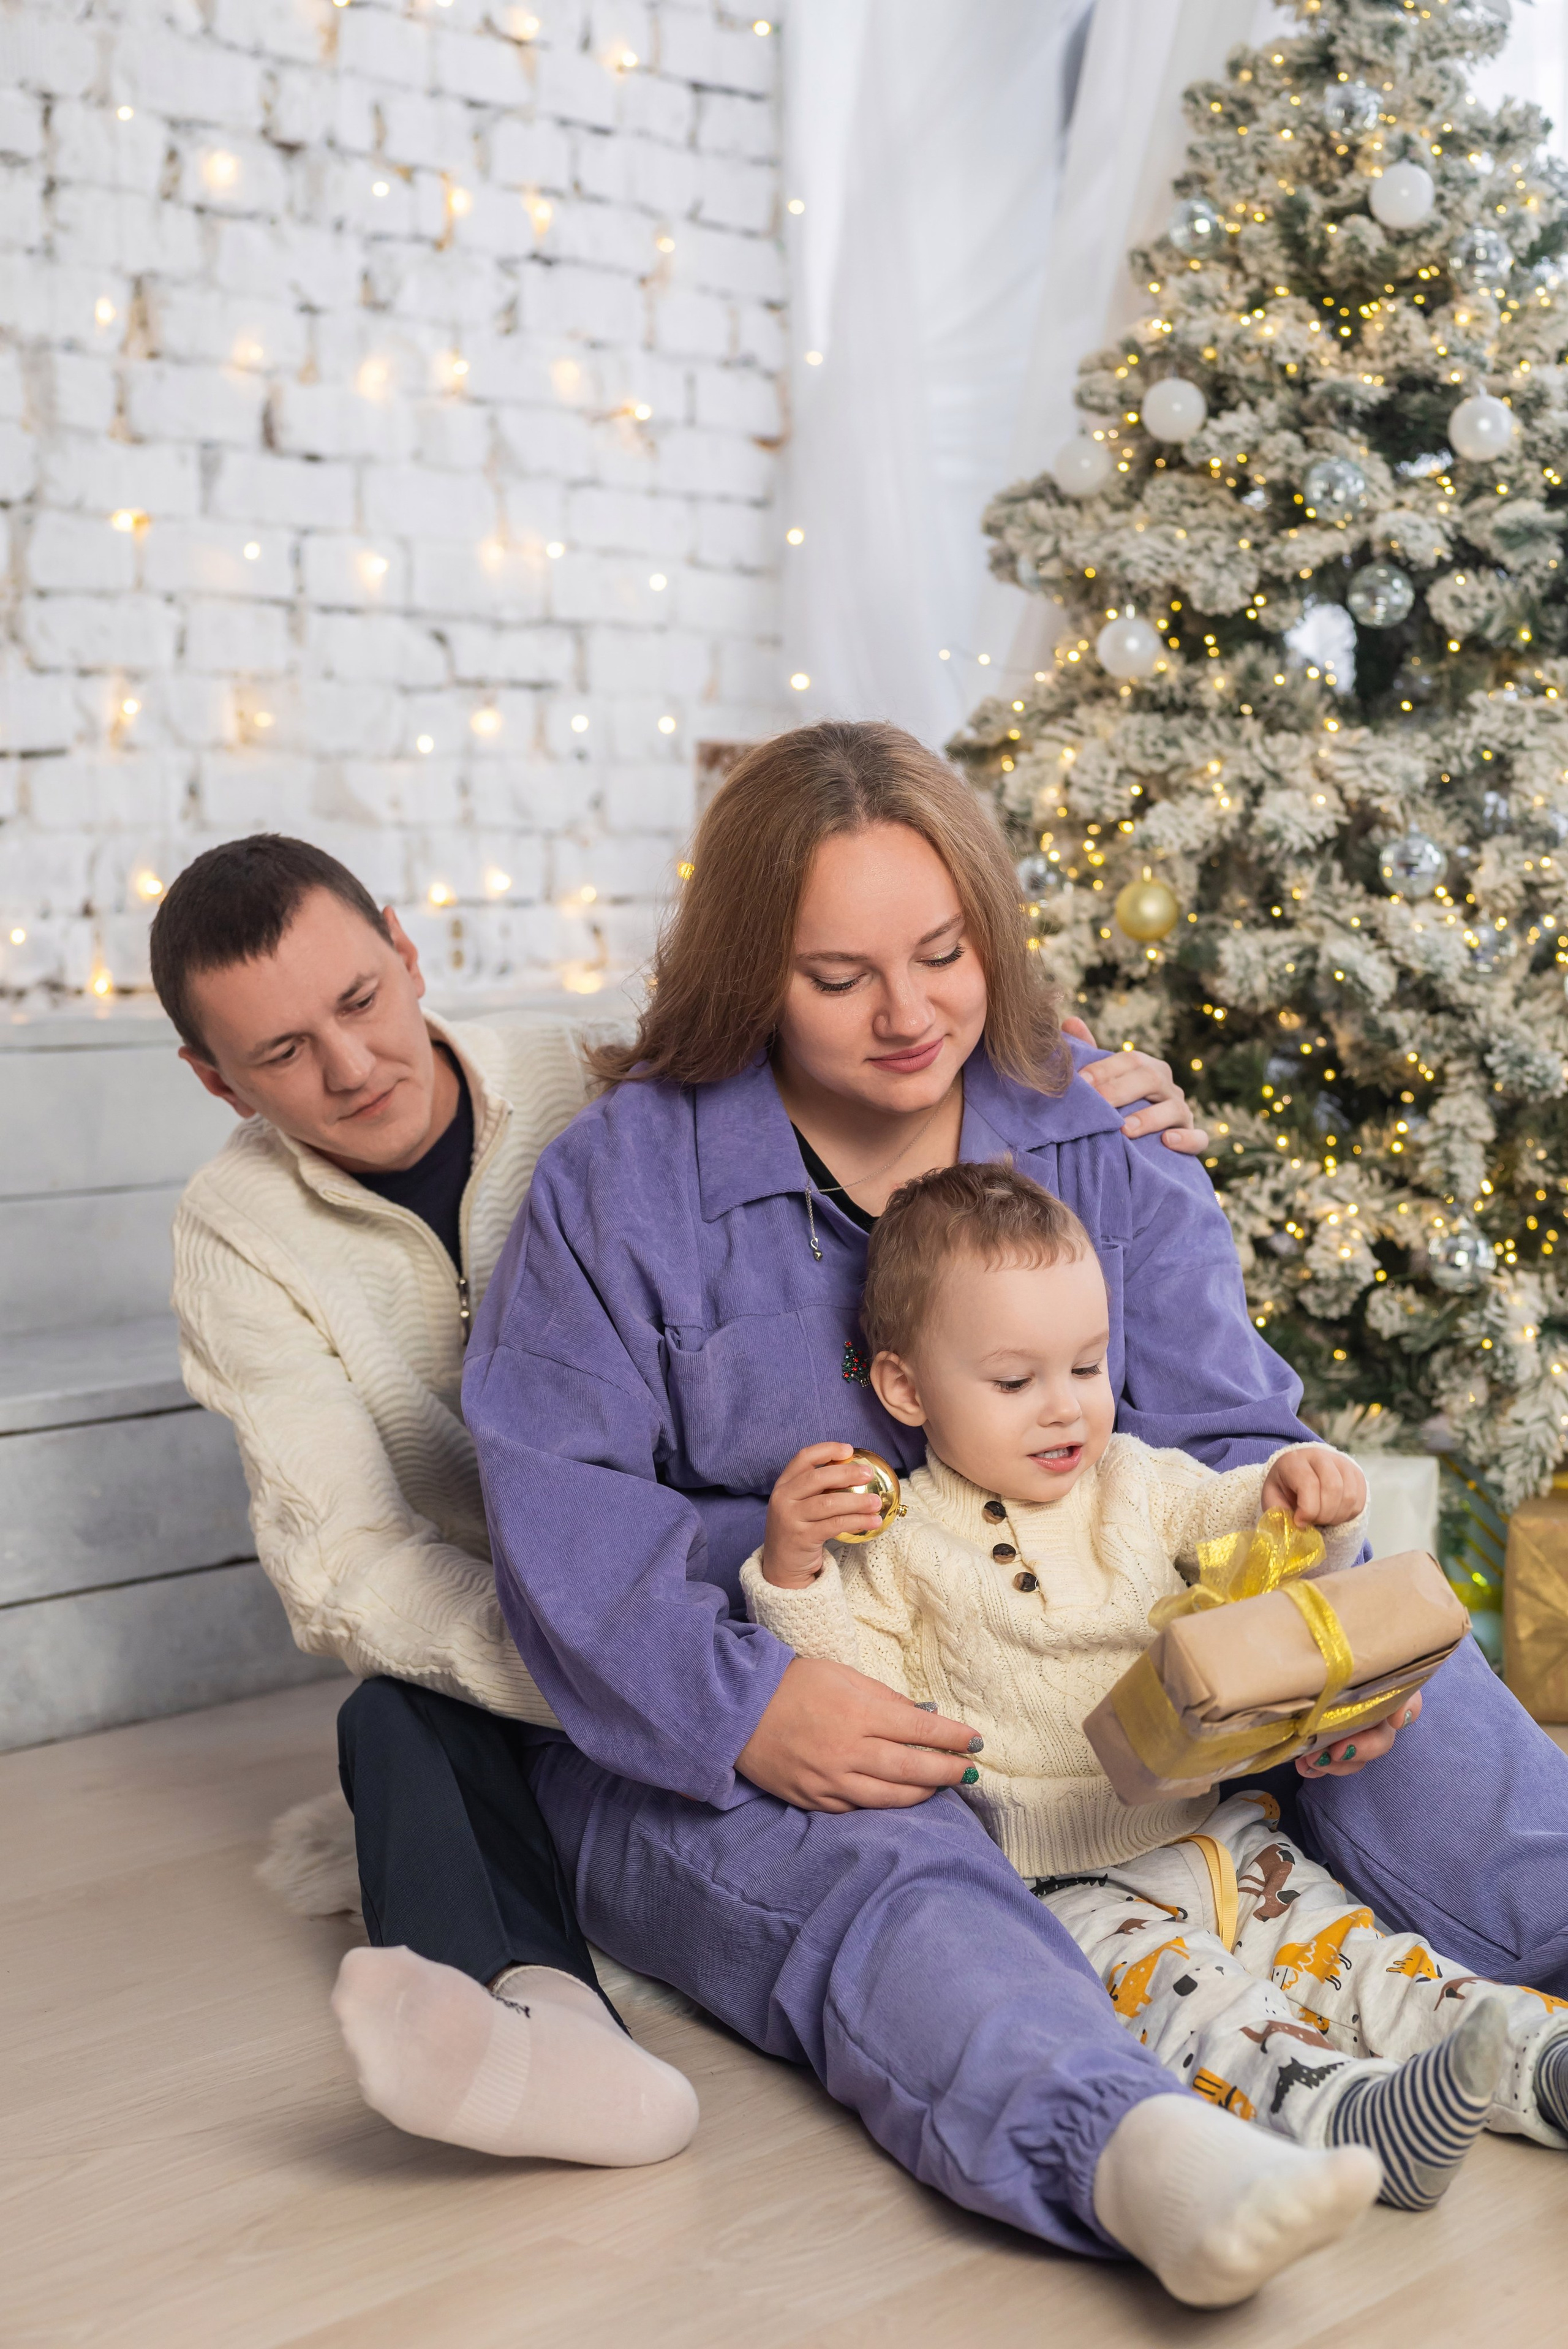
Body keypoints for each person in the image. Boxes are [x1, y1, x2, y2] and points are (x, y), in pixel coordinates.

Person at [462, 719, 1568, 2309]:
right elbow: (556, 1513)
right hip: (779, 1691)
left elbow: (1223, 1428)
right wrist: (752, 1707)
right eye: (839, 976)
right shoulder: (622, 1185)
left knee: (1394, 1661)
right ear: (747, 971)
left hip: (1111, 1659)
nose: (909, 1015)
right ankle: (1135, 2157)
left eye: (943, 953)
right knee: (889, 1867)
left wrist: (1302, 1636)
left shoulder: (1097, 1123)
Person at [150, 825, 1204, 2166]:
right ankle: (542, 2030)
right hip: (510, 1634)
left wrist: (1084, 1080)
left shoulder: (590, 1074)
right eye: (283, 1054)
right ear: (210, 1077)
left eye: (359, 1002)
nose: (351, 1067)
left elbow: (862, 1019)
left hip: (752, 1558)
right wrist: (636, 1673)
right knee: (393, 1724)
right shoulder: (234, 1237)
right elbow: (348, 1568)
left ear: (408, 956)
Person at [744, 1159, 1568, 2205]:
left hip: (1225, 1837)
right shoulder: (897, 1542)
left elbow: (1261, 1540)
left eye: (1088, 1365)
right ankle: (1352, 2119)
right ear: (906, 1387)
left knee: (1369, 1960)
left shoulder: (1136, 1481)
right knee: (1212, 2019)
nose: (1066, 1408)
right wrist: (792, 1567)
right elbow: (849, 1687)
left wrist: (1313, 1496)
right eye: (1016, 1380)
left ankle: (1541, 2059)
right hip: (1063, 1888)